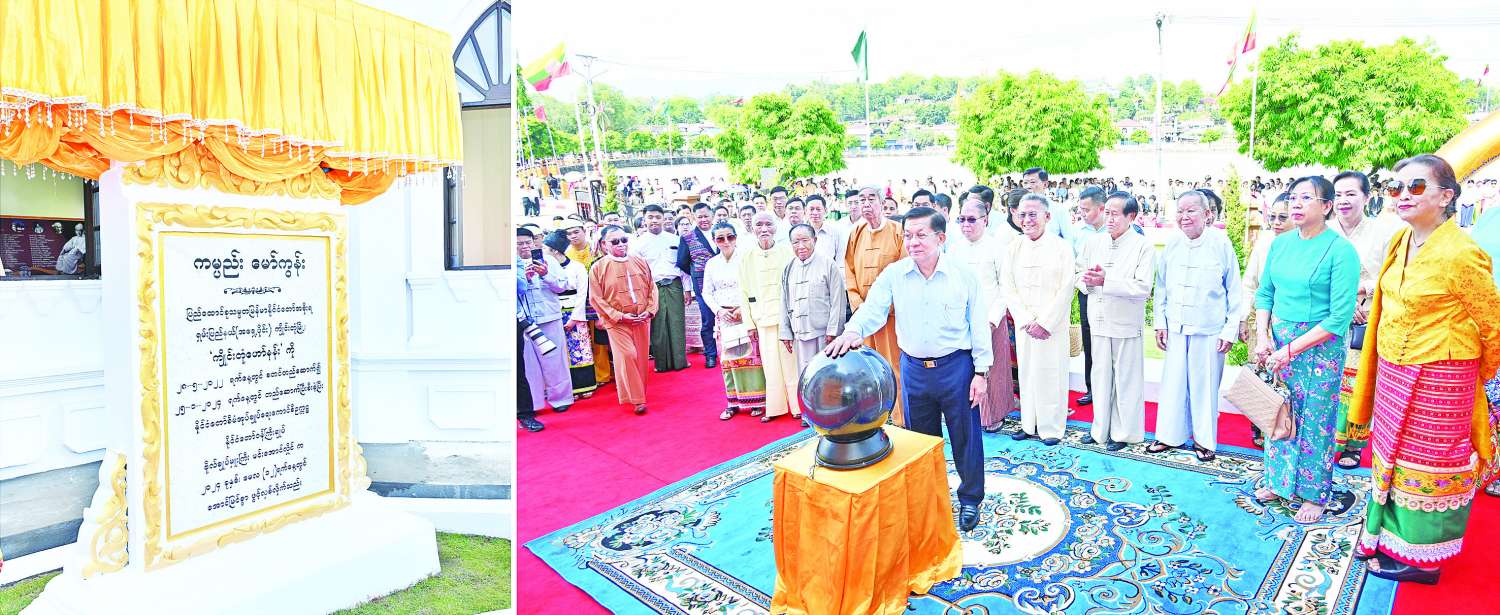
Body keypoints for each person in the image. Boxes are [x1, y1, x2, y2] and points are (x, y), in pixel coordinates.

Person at [1348, 154, 1500, 583]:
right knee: (1392, 456)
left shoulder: (1462, 253)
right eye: (1396, 188)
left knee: (1429, 465)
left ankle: (1423, 559)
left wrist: (1474, 377)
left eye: (1416, 187)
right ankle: (1390, 537)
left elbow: (1493, 323)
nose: (1402, 195)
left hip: (1440, 378)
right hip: (1395, 370)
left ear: (1446, 196)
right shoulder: (1401, 241)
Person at [825, 206, 992, 532]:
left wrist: (981, 373)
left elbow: (978, 325)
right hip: (914, 370)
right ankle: (929, 497)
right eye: (908, 235)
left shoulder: (963, 275)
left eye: (921, 235)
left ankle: (971, 499)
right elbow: (872, 310)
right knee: (920, 440)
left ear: (940, 238)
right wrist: (852, 331)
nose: (913, 242)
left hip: (956, 368)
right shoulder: (895, 275)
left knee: (966, 437)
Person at [1252, 176, 1361, 524]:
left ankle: (1314, 493)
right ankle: (1278, 481)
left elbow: (1339, 317)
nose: (1296, 204)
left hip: (1319, 346)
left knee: (1314, 418)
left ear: (1327, 206)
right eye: (1293, 198)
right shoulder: (1281, 244)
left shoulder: (1341, 251)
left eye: (1306, 198)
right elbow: (1265, 293)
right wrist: (1262, 336)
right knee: (1278, 410)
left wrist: (1290, 350)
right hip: (1279, 339)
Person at [1150, 191, 1243, 460]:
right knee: (1173, 385)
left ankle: (1204, 441)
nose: (1184, 216)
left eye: (1191, 211)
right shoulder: (1172, 244)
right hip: (1176, 327)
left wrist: (1230, 330)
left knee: (1205, 388)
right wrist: (1160, 323)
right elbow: (1161, 287)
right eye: (1180, 211)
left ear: (1207, 214)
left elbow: (1234, 290)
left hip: (1210, 329)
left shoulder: (1221, 243)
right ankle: (1169, 436)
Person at [1328, 171, 1402, 469]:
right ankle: (1324, 441)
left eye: (1351, 194)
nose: (1343, 201)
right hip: (1327, 319)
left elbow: (1392, 275)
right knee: (1328, 382)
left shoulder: (1383, 233)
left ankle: (1354, 445)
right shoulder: (1324, 231)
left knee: (1357, 384)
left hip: (1367, 318)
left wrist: (1361, 291)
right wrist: (1344, 303)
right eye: (1338, 195)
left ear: (1367, 197)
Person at [1076, 192, 1156, 450]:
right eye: (1107, 213)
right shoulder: (1093, 242)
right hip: (1098, 319)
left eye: (1115, 214)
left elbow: (1143, 287)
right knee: (1099, 377)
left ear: (1131, 216)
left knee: (1126, 381)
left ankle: (1124, 433)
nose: (1109, 219)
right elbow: (1078, 273)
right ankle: (1099, 430)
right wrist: (1088, 282)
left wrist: (1106, 281)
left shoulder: (1143, 246)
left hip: (1125, 322)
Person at [999, 194, 1075, 445]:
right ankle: (1028, 424)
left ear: (1047, 216)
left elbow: (1066, 288)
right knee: (1028, 373)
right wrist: (1025, 319)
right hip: (1025, 326)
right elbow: (1008, 287)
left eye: (1033, 214)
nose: (1027, 220)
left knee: (1051, 374)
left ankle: (1051, 427)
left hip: (1052, 326)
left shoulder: (1062, 248)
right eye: (1022, 215)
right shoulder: (1013, 248)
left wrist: (1044, 322)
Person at [946, 194, 1016, 432]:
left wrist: (993, 320)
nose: (966, 225)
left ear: (985, 220)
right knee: (965, 369)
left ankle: (995, 415)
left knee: (994, 371)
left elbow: (1006, 288)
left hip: (990, 319)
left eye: (971, 219)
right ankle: (970, 413)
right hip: (962, 321)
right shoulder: (954, 249)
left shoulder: (997, 248)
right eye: (962, 219)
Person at [844, 186, 909, 424]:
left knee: (895, 368)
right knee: (868, 369)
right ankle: (876, 419)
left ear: (882, 203)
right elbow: (849, 271)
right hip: (864, 316)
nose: (866, 203)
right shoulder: (856, 232)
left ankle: (902, 419)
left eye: (871, 198)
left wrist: (884, 309)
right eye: (862, 199)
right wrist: (858, 304)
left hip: (891, 317)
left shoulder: (897, 231)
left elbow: (904, 270)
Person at [738, 212, 801, 422]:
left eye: (768, 224)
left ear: (775, 227)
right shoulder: (746, 256)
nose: (764, 229)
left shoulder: (787, 252)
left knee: (791, 363)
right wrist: (749, 324)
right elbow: (743, 292)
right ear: (752, 227)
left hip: (787, 318)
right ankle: (775, 408)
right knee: (771, 366)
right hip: (762, 318)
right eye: (759, 224)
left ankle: (798, 406)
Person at [589, 226, 658, 415]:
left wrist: (650, 311)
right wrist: (618, 316)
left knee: (641, 358)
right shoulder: (598, 268)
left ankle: (639, 394)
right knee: (628, 355)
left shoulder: (639, 261)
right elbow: (596, 298)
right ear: (604, 245)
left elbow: (652, 288)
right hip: (617, 322)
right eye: (615, 242)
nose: (621, 244)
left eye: (624, 240)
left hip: (641, 318)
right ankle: (637, 400)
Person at [702, 222, 767, 420]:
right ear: (714, 241)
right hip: (724, 317)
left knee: (752, 357)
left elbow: (756, 286)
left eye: (730, 237)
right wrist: (719, 311)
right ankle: (733, 402)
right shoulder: (712, 264)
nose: (726, 242)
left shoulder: (746, 258)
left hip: (745, 314)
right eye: (720, 238)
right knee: (728, 360)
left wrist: (742, 309)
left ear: (736, 238)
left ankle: (757, 400)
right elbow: (707, 292)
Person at [1241, 192, 1291, 446]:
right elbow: (1250, 284)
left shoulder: (1308, 246)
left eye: (1283, 217)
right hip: (1260, 321)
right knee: (1260, 373)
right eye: (1273, 217)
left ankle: (1286, 427)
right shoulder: (1264, 242)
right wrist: (1243, 319)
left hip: (1292, 325)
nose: (1276, 222)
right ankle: (1260, 428)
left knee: (1287, 378)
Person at [517, 228, 576, 416]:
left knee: (555, 360)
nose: (525, 247)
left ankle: (561, 399)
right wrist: (524, 280)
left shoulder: (549, 260)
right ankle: (534, 403)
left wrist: (545, 275)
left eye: (528, 242)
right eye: (519, 243)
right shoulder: (513, 265)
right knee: (529, 365)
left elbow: (562, 287)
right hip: (524, 321)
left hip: (549, 317)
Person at [630, 204, 692, 372]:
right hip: (652, 288)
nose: (654, 220)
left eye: (658, 217)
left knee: (677, 322)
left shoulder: (675, 239)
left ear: (664, 219)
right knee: (658, 326)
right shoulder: (637, 244)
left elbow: (683, 267)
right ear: (644, 220)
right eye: (650, 217)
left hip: (674, 284)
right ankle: (661, 364)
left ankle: (680, 361)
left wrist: (687, 289)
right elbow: (636, 272)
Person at [780, 223, 846, 375]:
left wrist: (833, 330)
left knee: (826, 374)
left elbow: (838, 300)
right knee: (806, 375)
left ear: (814, 240)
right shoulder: (789, 268)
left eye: (805, 240)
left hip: (823, 334)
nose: (801, 246)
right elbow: (784, 302)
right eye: (796, 242)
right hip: (799, 332)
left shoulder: (828, 264)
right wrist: (785, 332)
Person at [544, 231, 598, 400]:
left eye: (546, 248)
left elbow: (582, 294)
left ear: (555, 250)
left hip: (574, 311)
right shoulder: (545, 269)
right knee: (559, 352)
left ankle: (585, 385)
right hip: (554, 313)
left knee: (580, 350)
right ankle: (565, 388)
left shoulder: (577, 267)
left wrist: (575, 317)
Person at [1071, 186, 1108, 406]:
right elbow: (1073, 265)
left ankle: (1110, 388)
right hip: (1087, 294)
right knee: (1089, 340)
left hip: (1112, 295)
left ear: (1101, 208)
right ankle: (1091, 387)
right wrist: (1084, 284)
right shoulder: (1078, 232)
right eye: (1081, 209)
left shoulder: (1118, 230)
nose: (1082, 214)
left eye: (1086, 210)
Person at [676, 203, 720, 369]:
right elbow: (682, 262)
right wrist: (697, 273)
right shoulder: (687, 237)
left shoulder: (721, 232)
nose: (703, 219)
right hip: (702, 285)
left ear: (712, 215)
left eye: (706, 216)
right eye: (699, 217)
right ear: (694, 218)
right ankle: (710, 355)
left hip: (725, 283)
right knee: (708, 320)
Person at [804, 195, 847, 264]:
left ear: (825, 210)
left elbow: (841, 260)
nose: (815, 213)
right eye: (811, 209)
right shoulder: (800, 232)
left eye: (818, 209)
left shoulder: (835, 233)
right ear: (806, 210)